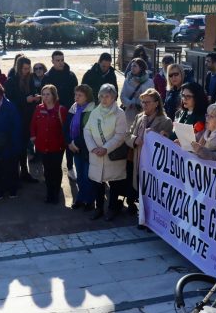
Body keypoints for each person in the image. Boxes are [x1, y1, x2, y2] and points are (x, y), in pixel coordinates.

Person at [84, 84, 127, 221]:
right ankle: (99, 208)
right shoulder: (95, 111)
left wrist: (106, 148)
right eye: (101, 96)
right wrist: (93, 148)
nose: (104, 99)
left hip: (112, 155)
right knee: (98, 183)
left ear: (114, 97)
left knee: (114, 184)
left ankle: (113, 209)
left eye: (107, 96)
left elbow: (120, 135)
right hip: (96, 154)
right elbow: (87, 131)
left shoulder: (120, 113)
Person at [125, 89, 172, 215]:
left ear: (157, 103)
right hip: (137, 160)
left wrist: (155, 135)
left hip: (153, 166)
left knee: (151, 192)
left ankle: (151, 219)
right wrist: (135, 140)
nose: (144, 105)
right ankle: (143, 217)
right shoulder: (139, 117)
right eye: (143, 102)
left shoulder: (165, 121)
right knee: (139, 189)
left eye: (147, 102)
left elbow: (166, 145)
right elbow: (128, 135)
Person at [43, 50, 78, 178]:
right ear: (52, 61)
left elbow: (76, 94)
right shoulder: (47, 77)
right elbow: (45, 97)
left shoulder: (71, 75)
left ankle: (70, 166)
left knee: (68, 139)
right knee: (54, 138)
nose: (60, 62)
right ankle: (54, 167)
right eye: (57, 60)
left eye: (62, 60)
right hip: (52, 112)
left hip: (68, 112)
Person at [30, 84, 68, 204]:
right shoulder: (38, 108)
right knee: (47, 170)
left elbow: (66, 129)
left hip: (57, 146)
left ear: (54, 95)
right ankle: (49, 193)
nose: (45, 97)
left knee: (55, 170)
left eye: (48, 94)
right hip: (43, 146)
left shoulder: (61, 109)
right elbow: (33, 125)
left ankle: (55, 193)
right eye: (44, 94)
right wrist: (34, 137)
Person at [5, 55, 39, 183]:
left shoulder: (30, 79)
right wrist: (25, 99)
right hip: (16, 119)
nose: (27, 71)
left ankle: (24, 172)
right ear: (19, 68)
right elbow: (9, 101)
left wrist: (35, 97)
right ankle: (16, 175)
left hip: (28, 118)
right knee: (16, 148)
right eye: (24, 68)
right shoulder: (11, 81)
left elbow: (31, 93)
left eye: (28, 68)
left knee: (24, 146)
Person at [63, 85, 96, 210]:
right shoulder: (74, 108)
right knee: (80, 176)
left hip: (87, 148)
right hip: (74, 148)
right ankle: (80, 198)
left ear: (87, 97)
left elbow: (89, 131)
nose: (76, 97)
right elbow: (66, 127)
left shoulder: (92, 110)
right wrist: (69, 142)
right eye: (75, 95)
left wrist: (75, 143)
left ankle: (90, 201)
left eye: (80, 95)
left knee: (88, 176)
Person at [120, 58, 154, 126]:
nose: (132, 68)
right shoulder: (127, 80)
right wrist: (131, 103)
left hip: (144, 113)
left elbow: (152, 97)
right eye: (131, 66)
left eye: (135, 66)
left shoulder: (149, 82)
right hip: (129, 113)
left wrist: (141, 104)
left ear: (141, 68)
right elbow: (122, 96)